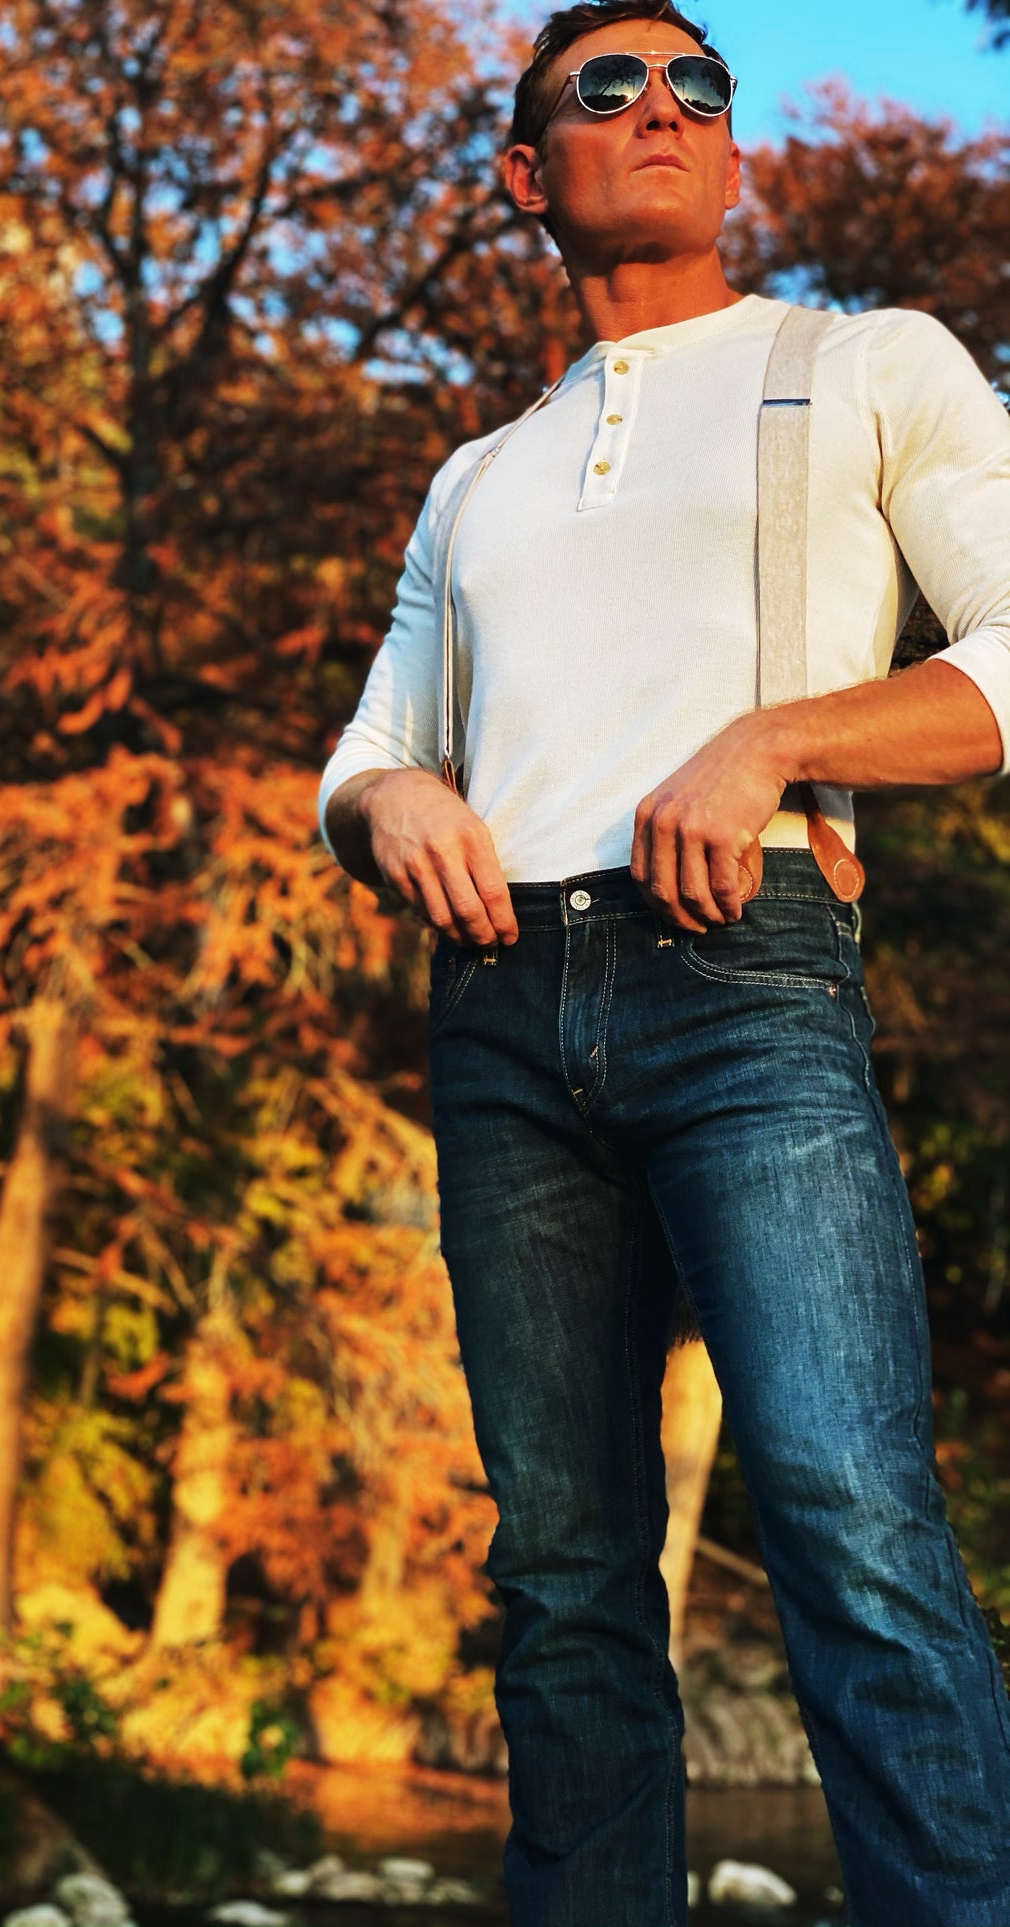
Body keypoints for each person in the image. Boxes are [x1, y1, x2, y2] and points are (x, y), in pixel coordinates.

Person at [315, 4, 1010, 1924]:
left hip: (743, 977)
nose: (662, 108)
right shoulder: (476, 476)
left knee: (849, 1520)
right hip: (499, 1012)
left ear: (732, 152)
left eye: (699, 85)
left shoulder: (861, 364)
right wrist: (390, 806)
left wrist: (776, 739)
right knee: (558, 1577)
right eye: (606, 86)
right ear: (524, 174)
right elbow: (367, 751)